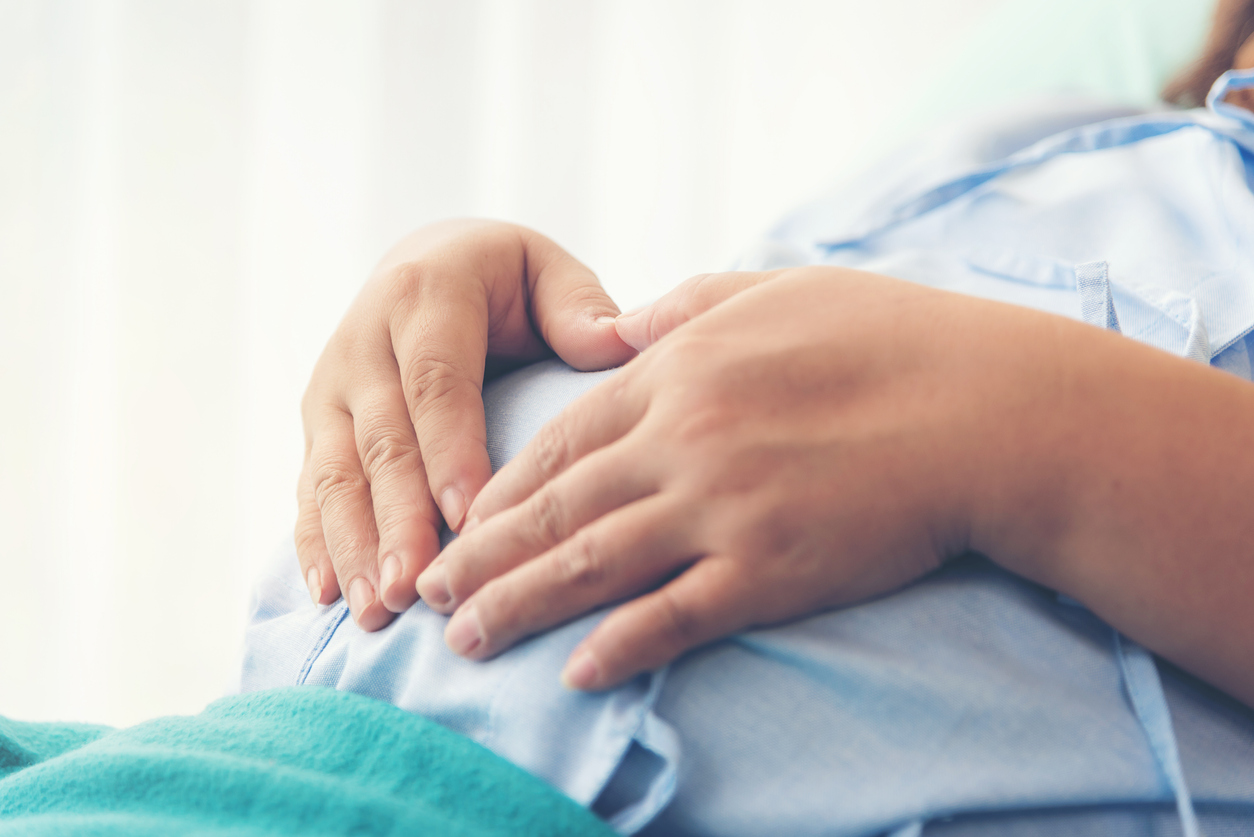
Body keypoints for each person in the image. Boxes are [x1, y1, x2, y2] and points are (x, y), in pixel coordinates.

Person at [243, 1, 1254, 833]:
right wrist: (530, 336)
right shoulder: (1009, 142)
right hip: (246, 755)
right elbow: (759, 410)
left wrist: (1017, 421)